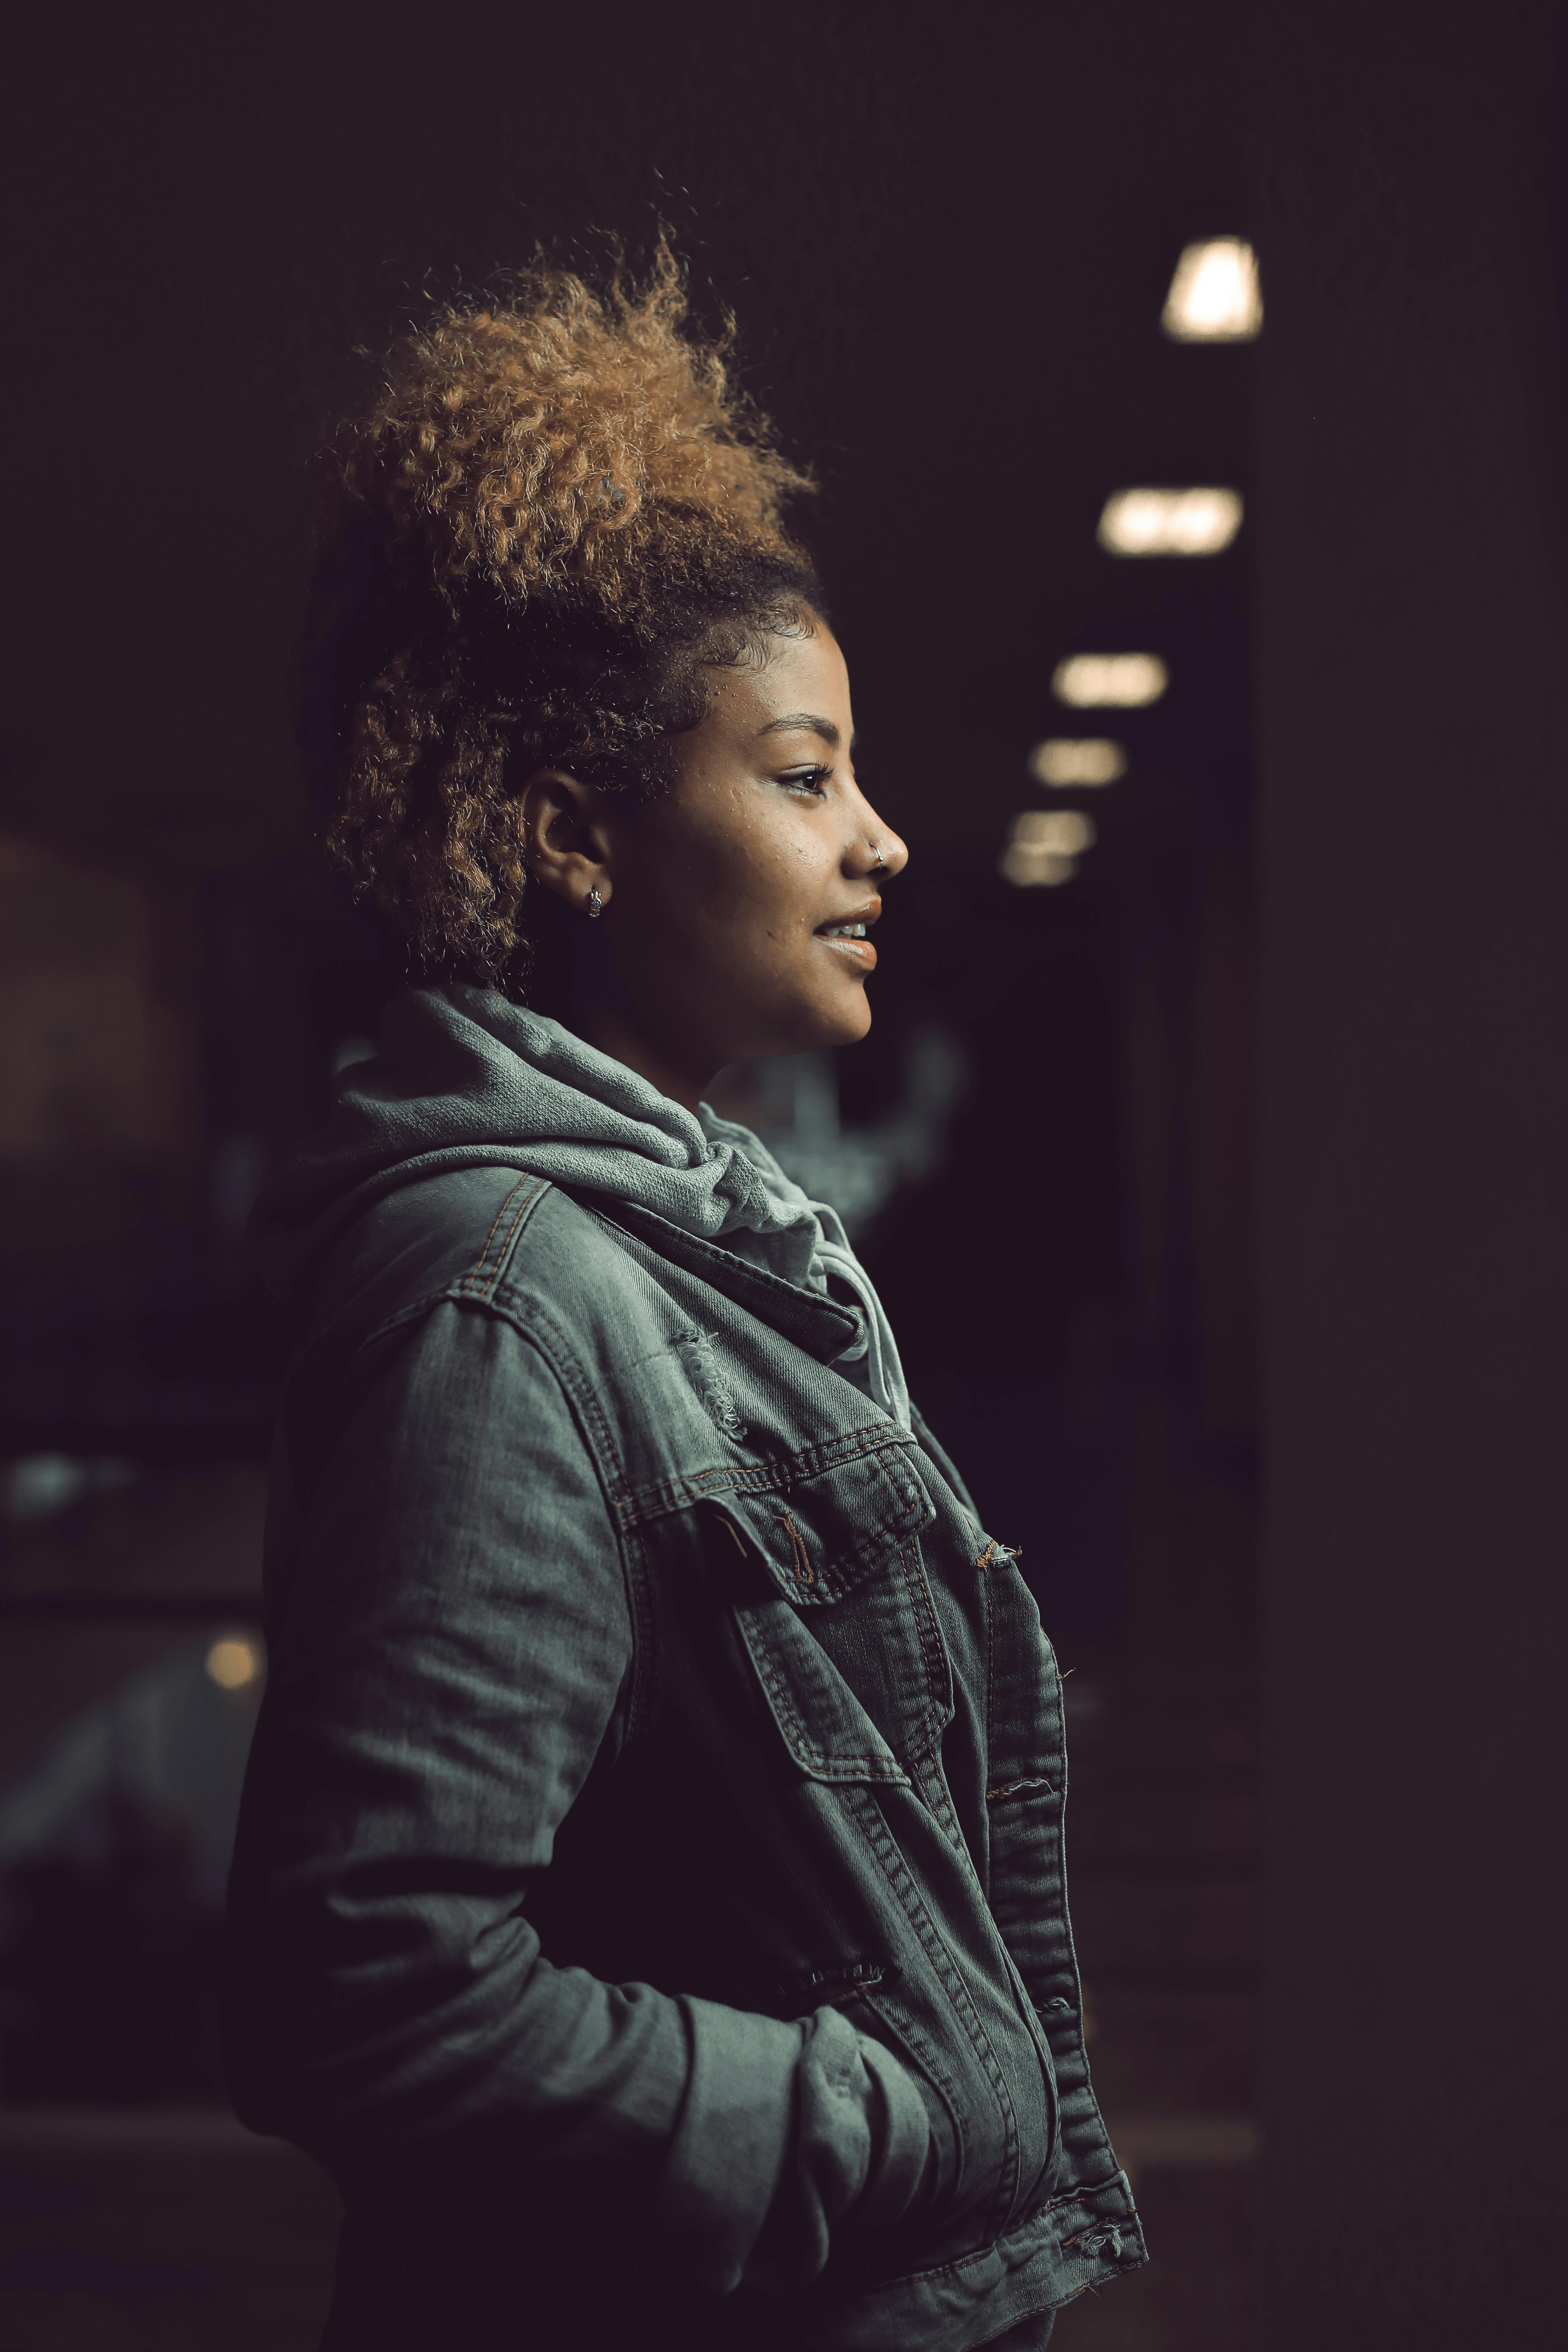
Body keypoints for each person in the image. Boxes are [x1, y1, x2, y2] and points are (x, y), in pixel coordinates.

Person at [224, 249, 1144, 2351]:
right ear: (571, 837)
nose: (885, 839)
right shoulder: (509, 1296)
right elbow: (368, 1995)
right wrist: (894, 2127)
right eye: (807, 775)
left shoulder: (700, 1242)